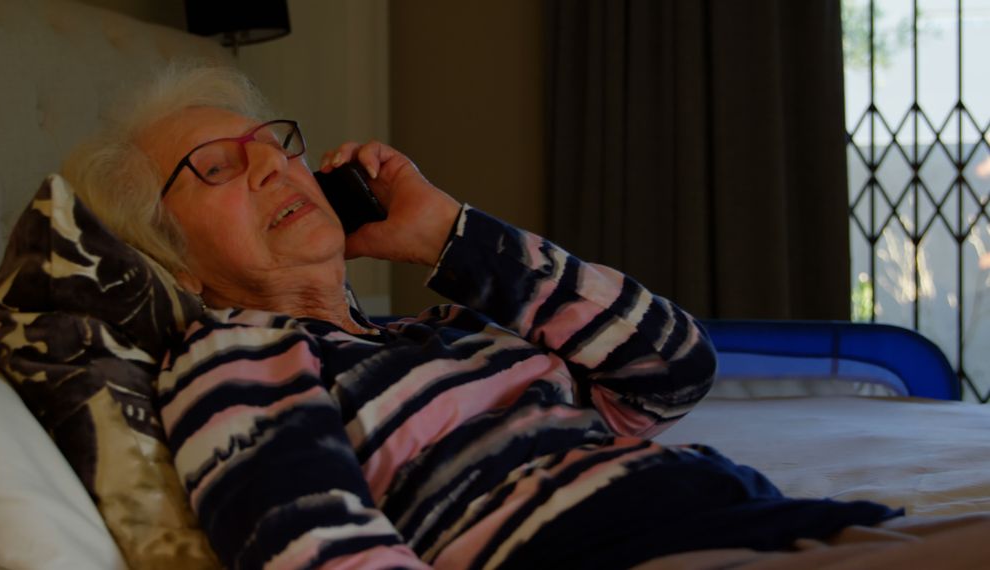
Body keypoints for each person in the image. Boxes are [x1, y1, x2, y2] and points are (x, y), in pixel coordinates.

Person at [63, 63, 902, 569]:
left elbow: (674, 369)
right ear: (169, 255)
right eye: (215, 167)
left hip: (755, 520)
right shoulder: (234, 357)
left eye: (274, 146)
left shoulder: (444, 332)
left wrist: (449, 236)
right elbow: (314, 546)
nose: (271, 170)